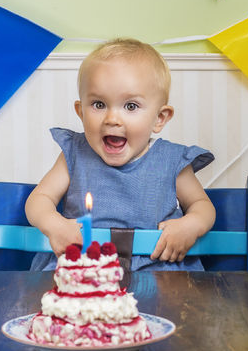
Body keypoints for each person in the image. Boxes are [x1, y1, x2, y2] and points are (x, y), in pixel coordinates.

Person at [26, 38, 216, 271]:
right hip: (84, 267)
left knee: (180, 300)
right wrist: (54, 225)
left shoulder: (172, 160)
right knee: (51, 295)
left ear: (159, 118)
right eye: (98, 104)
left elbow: (202, 205)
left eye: (131, 106)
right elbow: (38, 200)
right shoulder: (74, 153)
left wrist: (190, 225)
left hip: (156, 269)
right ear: (81, 112)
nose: (112, 119)